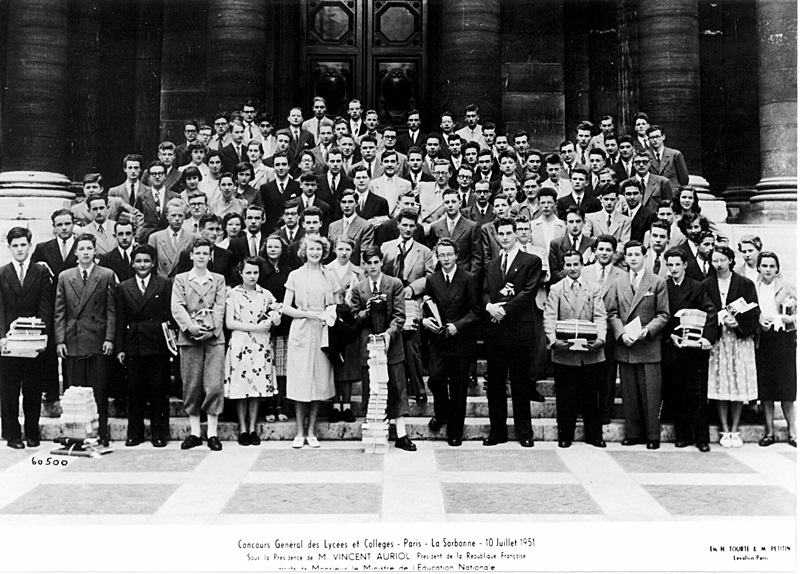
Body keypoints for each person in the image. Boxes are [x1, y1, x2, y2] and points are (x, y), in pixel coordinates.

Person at [351, 246, 417, 451]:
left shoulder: (394, 284)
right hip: (369, 345)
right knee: (372, 387)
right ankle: (374, 432)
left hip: (392, 343)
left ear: (381, 262)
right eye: (368, 263)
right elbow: (354, 317)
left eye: (376, 262)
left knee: (397, 386)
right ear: (364, 265)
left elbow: (399, 315)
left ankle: (401, 434)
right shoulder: (359, 288)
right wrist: (367, 311)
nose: (373, 267)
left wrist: (389, 334)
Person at [482, 217, 541, 448]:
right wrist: (489, 306)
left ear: (516, 233)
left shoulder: (531, 261)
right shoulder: (492, 264)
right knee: (495, 385)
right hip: (495, 332)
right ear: (496, 236)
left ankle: (524, 431)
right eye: (501, 234)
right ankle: (497, 432)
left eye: (509, 233)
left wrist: (504, 310)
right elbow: (484, 291)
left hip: (519, 331)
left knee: (520, 384)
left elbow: (528, 292)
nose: (505, 237)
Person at [606, 240, 669, 450]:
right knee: (629, 394)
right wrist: (621, 333)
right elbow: (612, 313)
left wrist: (648, 330)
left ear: (644, 256)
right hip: (626, 345)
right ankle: (633, 433)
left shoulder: (657, 282)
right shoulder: (618, 283)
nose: (633, 258)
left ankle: (652, 435)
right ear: (624, 258)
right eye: (629, 255)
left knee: (651, 394)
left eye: (637, 254)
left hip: (648, 345)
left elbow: (663, 314)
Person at [54, 233, 116, 447]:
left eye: (89, 248)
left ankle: (100, 433)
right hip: (74, 340)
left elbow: (111, 310)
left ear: (95, 250)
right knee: (75, 393)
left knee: (99, 391)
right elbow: (60, 311)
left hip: (97, 340)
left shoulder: (106, 275)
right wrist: (60, 340)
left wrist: (109, 338)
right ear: (75, 252)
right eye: (81, 249)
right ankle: (76, 436)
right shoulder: (65, 277)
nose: (86, 252)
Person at [544, 249, 607, 448]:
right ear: (563, 266)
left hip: (590, 351)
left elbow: (600, 316)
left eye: (576, 264)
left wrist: (600, 339)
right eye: (568, 265)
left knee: (591, 396)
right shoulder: (556, 289)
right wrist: (554, 340)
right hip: (565, 351)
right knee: (565, 397)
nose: (572, 268)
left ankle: (594, 435)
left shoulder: (594, 288)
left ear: (582, 265)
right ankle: (565, 435)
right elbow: (550, 316)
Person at [282, 235, 340, 448]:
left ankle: (311, 431)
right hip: (301, 328)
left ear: (324, 252)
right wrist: (306, 314)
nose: (315, 253)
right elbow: (286, 307)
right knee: (301, 380)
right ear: (304, 252)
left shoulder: (329, 275)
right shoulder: (295, 275)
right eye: (311, 249)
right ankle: (299, 432)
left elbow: (337, 305)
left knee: (318, 380)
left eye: (318, 249)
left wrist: (328, 315)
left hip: (322, 330)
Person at [421, 238, 480, 446]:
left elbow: (475, 312)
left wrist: (458, 326)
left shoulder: (468, 278)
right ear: (437, 257)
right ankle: (442, 412)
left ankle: (455, 431)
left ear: (456, 255)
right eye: (442, 255)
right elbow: (428, 306)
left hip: (460, 340)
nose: (445, 258)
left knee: (458, 388)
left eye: (449, 254)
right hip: (439, 340)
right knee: (435, 379)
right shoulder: (432, 280)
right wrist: (425, 321)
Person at [171, 238, 227, 451]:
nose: (202, 256)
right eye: (198, 253)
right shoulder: (181, 279)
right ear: (192, 255)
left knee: (214, 385)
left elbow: (220, 307)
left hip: (214, 338)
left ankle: (212, 433)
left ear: (210, 256)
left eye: (205, 253)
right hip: (189, 338)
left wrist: (211, 330)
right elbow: (177, 306)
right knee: (192, 384)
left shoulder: (218, 279)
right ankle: (195, 433)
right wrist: (190, 327)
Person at [114, 244, 172, 448]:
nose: (142, 265)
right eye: (138, 261)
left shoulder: (163, 284)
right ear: (132, 263)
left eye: (146, 261)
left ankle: (159, 433)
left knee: (158, 390)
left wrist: (170, 345)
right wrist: (120, 348)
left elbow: (169, 315)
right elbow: (120, 319)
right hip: (134, 344)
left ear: (153, 263)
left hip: (157, 344)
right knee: (134, 390)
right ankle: (134, 433)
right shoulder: (124, 287)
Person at [0, 228, 53, 449]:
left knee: (33, 389)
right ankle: (12, 434)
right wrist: (2, 337)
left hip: (32, 340)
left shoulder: (40, 272)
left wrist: (40, 334)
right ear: (9, 247)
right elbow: (0, 309)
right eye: (15, 245)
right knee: (9, 391)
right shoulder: (2, 273)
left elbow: (45, 305)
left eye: (23, 245)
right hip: (9, 342)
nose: (20, 249)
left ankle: (32, 432)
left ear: (30, 246)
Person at [662, 247, 717, 452]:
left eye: (678, 264)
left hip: (694, 349)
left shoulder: (697, 286)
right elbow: (660, 314)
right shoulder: (664, 286)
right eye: (670, 265)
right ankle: (682, 435)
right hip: (674, 346)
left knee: (697, 394)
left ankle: (702, 438)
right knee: (677, 394)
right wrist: (670, 335)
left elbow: (710, 311)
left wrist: (706, 338)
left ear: (685, 265)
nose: (674, 268)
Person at [704, 245, 760, 448]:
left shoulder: (745, 283)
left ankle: (735, 429)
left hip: (739, 340)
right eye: (715, 261)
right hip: (719, 340)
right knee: (721, 382)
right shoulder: (707, 284)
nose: (719, 264)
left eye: (722, 260)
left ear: (730, 260)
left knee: (737, 382)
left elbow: (754, 310)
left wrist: (739, 324)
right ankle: (724, 428)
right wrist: (717, 320)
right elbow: (704, 309)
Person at [225, 256, 282, 446]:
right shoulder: (233, 294)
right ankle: (242, 429)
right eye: (248, 272)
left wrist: (275, 316)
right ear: (240, 273)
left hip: (260, 345)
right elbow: (229, 323)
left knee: (256, 387)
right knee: (241, 388)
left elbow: (277, 312)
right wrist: (255, 327)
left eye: (255, 272)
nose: (252, 276)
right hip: (240, 344)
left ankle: (252, 428)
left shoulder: (265, 294)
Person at [381, 208, 436, 403]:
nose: (407, 229)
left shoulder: (424, 251)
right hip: (390, 301)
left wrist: (413, 288)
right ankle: (392, 390)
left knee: (412, 346)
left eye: (411, 226)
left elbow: (431, 277)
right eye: (404, 225)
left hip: (412, 301)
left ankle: (418, 388)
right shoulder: (387, 248)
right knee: (391, 343)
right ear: (398, 225)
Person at [31, 208, 79, 413]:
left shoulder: (82, 245)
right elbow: (34, 274)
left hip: (76, 307)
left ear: (73, 224)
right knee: (50, 351)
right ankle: (50, 392)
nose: (64, 228)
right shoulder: (43, 248)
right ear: (53, 228)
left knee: (72, 350)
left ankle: (71, 392)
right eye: (60, 224)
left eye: (67, 223)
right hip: (51, 307)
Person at [582, 235, 626, 424]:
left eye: (608, 250)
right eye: (601, 249)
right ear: (594, 251)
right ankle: (587, 412)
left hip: (609, 330)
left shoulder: (622, 275)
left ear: (614, 252)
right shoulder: (584, 272)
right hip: (587, 329)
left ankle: (605, 414)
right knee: (587, 373)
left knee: (608, 374)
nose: (604, 253)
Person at [754, 251, 796, 447]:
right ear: (758, 267)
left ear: (777, 268)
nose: (768, 270)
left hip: (783, 339)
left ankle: (792, 432)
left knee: (787, 387)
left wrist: (787, 319)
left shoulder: (786, 288)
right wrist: (759, 321)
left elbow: (796, 313)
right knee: (766, 389)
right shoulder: (753, 287)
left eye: (772, 266)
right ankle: (769, 432)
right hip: (763, 339)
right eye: (764, 266)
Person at [324, 235, 364, 423]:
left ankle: (346, 405)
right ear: (334, 250)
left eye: (347, 249)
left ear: (352, 251)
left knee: (347, 364)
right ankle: (334, 405)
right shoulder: (326, 270)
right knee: (334, 363)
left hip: (349, 323)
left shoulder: (358, 272)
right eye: (340, 249)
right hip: (331, 321)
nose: (343, 253)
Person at [261, 234, 290, 423]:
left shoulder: (288, 270)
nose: (272, 249)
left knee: (281, 368)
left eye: (276, 246)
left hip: (284, 324)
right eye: (269, 246)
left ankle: (280, 404)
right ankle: (269, 405)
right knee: (267, 366)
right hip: (265, 324)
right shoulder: (261, 270)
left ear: (282, 249)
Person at [148, 198, 193, 279]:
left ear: (184, 217)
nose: (177, 219)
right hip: (162, 283)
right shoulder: (155, 238)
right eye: (173, 215)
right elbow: (151, 267)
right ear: (167, 216)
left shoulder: (192, 237)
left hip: (183, 282)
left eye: (180, 215)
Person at [646, 125, 689, 195]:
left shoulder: (675, 155)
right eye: (652, 137)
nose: (655, 140)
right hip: (654, 196)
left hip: (672, 195)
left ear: (663, 137)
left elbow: (684, 180)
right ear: (648, 139)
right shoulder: (646, 156)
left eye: (657, 136)